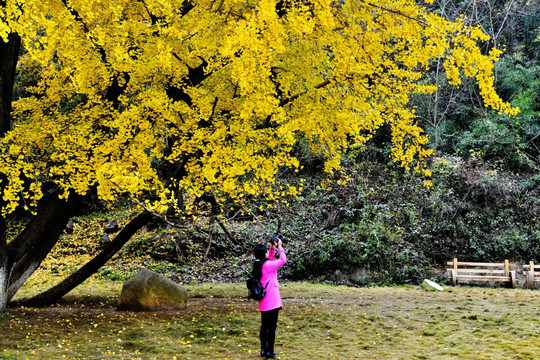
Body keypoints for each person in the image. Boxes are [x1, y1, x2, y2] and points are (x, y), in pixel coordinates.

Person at [252, 237, 286, 359]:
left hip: (263, 301)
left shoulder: (258, 264)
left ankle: (263, 349)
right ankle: (270, 351)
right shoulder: (267, 266)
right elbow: (282, 260)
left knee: (264, 326)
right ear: (263, 254)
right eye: (266, 250)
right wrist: (280, 247)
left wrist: (272, 248)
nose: (268, 252)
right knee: (272, 328)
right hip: (272, 301)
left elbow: (269, 259)